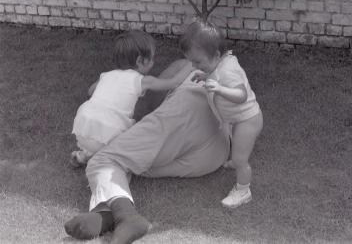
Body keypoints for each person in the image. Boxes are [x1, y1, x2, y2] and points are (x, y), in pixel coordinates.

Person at [64, 59, 230, 244]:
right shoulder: (224, 72)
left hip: (185, 113)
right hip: (215, 153)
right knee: (129, 162)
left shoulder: (184, 65)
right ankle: (105, 215)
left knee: (103, 161)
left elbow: (152, 102)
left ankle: (128, 218)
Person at [70, 30, 193, 167]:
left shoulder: (106, 75)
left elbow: (90, 91)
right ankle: (109, 161)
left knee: (102, 138)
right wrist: (192, 63)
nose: (153, 62)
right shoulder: (141, 80)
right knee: (137, 134)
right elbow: (173, 82)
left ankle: (85, 154)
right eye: (151, 59)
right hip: (110, 132)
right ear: (140, 61)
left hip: (84, 127)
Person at [180, 21, 263, 208]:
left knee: (242, 159)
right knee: (237, 148)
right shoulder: (219, 64)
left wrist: (219, 89)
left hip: (247, 120)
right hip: (237, 119)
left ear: (217, 55)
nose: (194, 66)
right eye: (192, 62)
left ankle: (243, 191)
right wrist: (206, 76)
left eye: (198, 62)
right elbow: (215, 73)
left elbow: (241, 95)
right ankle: (236, 158)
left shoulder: (229, 70)